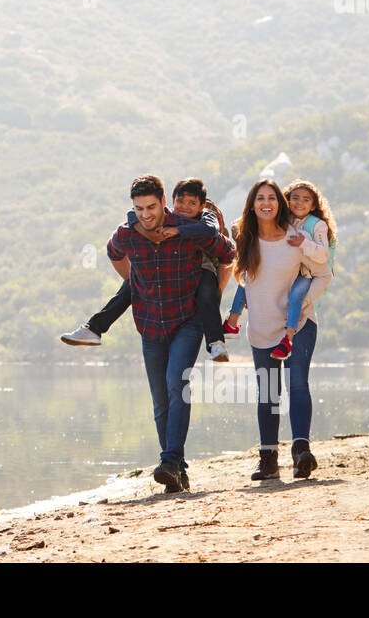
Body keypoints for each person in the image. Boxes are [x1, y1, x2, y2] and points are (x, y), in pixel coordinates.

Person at [104, 175, 236, 493]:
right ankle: (177, 470)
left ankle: (170, 461)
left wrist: (213, 291)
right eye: (138, 208)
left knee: (178, 384)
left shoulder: (187, 226)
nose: (146, 214)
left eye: (151, 207)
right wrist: (135, 282)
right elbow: (112, 252)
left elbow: (228, 252)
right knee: (160, 401)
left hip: (186, 321)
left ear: (164, 200)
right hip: (149, 324)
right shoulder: (128, 232)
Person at [62, 178, 235, 361]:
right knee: (129, 287)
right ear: (171, 202)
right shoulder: (157, 220)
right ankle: (94, 329)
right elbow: (131, 217)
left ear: (202, 206)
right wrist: (137, 278)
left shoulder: (204, 217)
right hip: (168, 285)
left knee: (207, 293)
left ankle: (216, 342)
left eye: (192, 203)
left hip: (203, 265)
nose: (185, 207)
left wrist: (178, 231)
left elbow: (211, 231)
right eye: (181, 202)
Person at [231, 179, 330, 481]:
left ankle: (302, 453)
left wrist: (299, 306)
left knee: (297, 384)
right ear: (252, 205)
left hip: (298, 325)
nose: (266, 203)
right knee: (268, 393)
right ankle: (268, 460)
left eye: (272, 198)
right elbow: (242, 282)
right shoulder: (246, 241)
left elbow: (324, 274)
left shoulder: (296, 238)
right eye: (260, 198)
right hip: (261, 328)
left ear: (280, 204)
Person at [224, 179, 336, 359]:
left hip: (305, 273)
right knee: (244, 280)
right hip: (261, 329)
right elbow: (243, 222)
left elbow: (323, 264)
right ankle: (231, 322)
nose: (300, 203)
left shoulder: (313, 227)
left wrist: (303, 243)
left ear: (314, 204)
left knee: (295, 299)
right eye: (295, 198)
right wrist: (239, 232)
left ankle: (288, 338)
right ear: (287, 201)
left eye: (306, 200)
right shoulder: (285, 221)